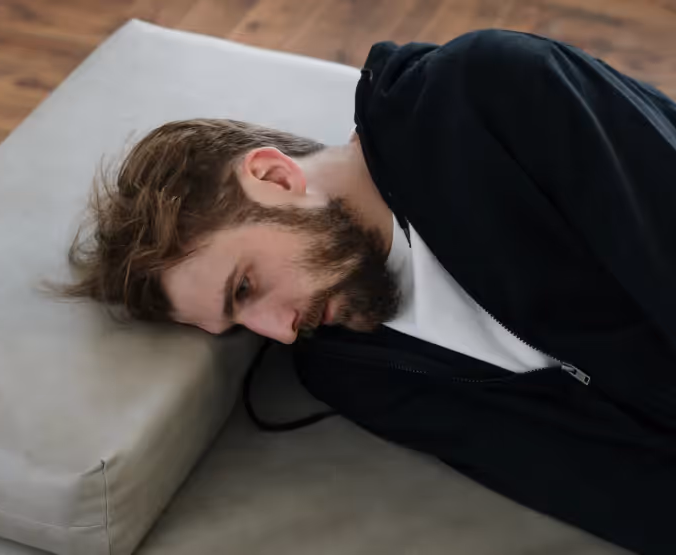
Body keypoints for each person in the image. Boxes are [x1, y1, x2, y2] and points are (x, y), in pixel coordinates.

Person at [63, 30, 676, 554]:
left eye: (245, 287)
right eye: (240, 323)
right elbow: (596, 485)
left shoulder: (489, 94)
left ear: (275, 177)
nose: (279, 330)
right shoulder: (350, 371)